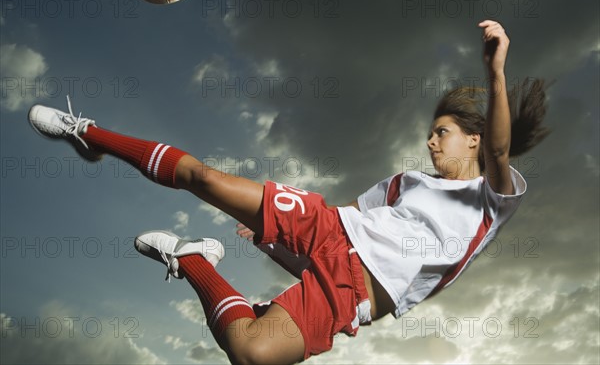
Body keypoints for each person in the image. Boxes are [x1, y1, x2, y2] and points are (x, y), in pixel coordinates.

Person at [28, 20, 549, 364]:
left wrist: (495, 71)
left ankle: (192, 262)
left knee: (250, 353)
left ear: (474, 139)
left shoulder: (492, 198)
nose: (431, 140)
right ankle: (89, 134)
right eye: (432, 132)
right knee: (204, 179)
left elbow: (502, 151)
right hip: (329, 228)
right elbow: (342, 222)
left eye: (443, 132)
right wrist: (269, 233)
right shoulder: (403, 184)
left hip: (355, 296)